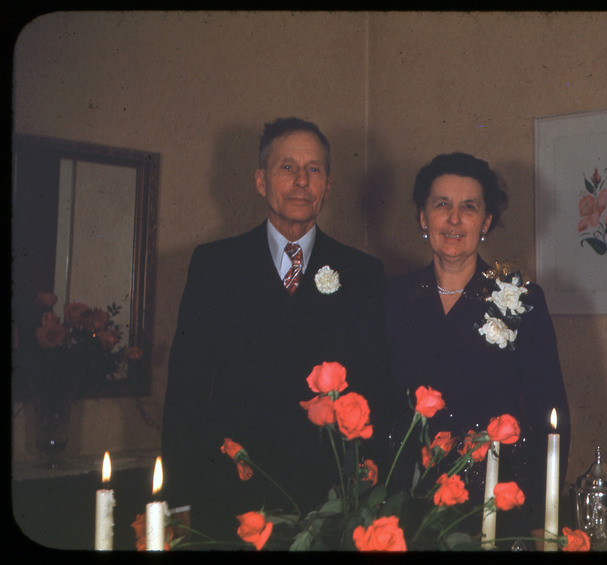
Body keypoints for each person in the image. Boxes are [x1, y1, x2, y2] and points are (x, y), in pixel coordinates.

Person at [161, 117, 388, 544]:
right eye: (287, 167)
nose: (302, 181)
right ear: (261, 181)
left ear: (329, 183)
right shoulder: (215, 266)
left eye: (314, 169)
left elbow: (376, 386)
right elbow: (186, 390)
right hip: (231, 496)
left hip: (330, 503)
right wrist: (177, 498)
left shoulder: (362, 272)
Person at [385, 152, 570, 546]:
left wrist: (541, 517)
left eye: (468, 207)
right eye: (442, 205)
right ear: (423, 216)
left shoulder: (521, 298)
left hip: (495, 506)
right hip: (407, 508)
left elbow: (549, 415)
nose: (454, 219)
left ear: (486, 221)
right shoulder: (391, 299)